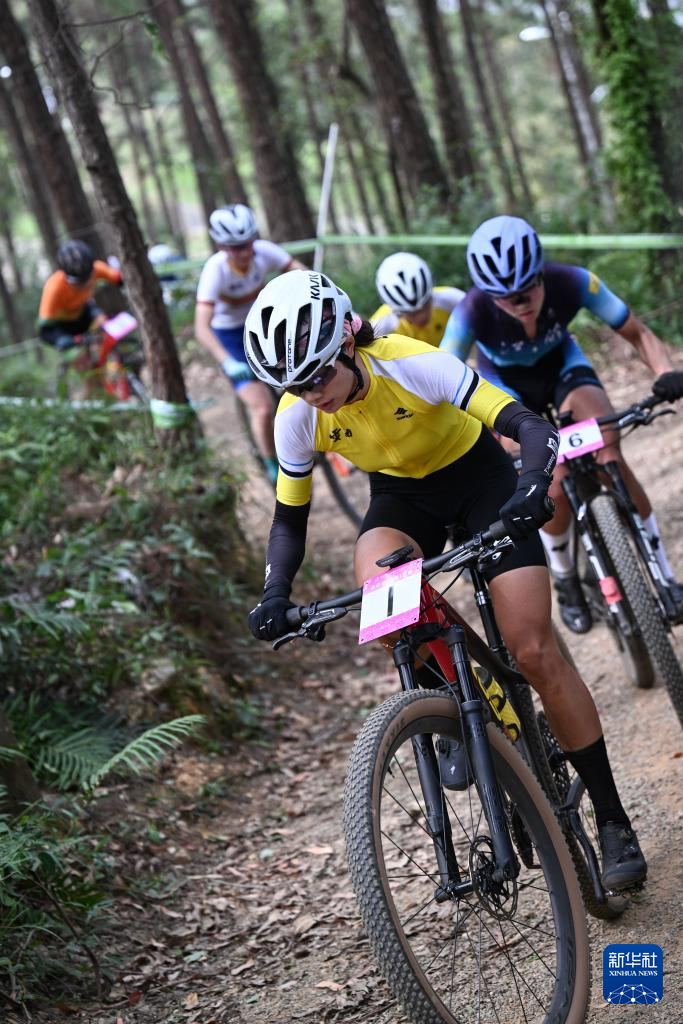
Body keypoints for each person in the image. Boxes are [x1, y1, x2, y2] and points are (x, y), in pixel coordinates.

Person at [244, 268, 647, 892]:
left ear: (348, 343)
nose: (311, 393)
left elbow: (526, 427)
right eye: (292, 384)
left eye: (319, 374)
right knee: (385, 608)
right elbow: (288, 520)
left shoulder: (409, 360)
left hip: (481, 482)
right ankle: (471, 706)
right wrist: (274, 592)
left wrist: (533, 486)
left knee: (534, 650)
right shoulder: (297, 418)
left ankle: (613, 819)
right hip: (402, 501)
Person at [441, 215, 683, 633]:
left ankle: (664, 575)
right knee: (551, 480)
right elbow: (441, 377)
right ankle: (565, 573)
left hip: (564, 371)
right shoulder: (471, 310)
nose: (521, 302)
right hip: (507, 391)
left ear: (542, 274)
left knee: (610, 453)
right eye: (507, 297)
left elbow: (637, 332)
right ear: (488, 294)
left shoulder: (574, 281)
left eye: (529, 288)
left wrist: (664, 371)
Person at [194, 204, 307, 485]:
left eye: (247, 244)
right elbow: (201, 328)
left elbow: (304, 276)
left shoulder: (265, 251)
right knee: (263, 408)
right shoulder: (215, 271)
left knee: (307, 374)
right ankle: (271, 463)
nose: (244, 253)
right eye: (235, 247)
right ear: (221, 246)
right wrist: (227, 361)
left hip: (264, 324)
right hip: (230, 337)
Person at [38, 240, 123, 351]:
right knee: (77, 354)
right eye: (79, 283)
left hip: (84, 310)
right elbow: (44, 331)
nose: (86, 284)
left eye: (89, 278)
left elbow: (120, 279)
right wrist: (58, 339)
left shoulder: (97, 268)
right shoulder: (53, 288)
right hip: (64, 325)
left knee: (101, 321)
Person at [371, 251, 464, 346]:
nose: (421, 317)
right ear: (397, 312)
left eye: (425, 305)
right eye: (412, 313)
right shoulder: (380, 326)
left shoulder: (451, 300)